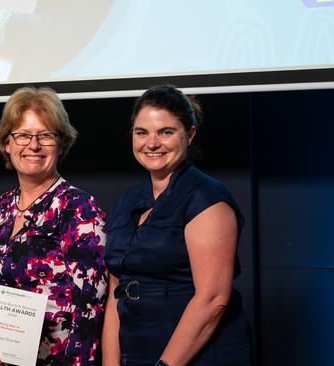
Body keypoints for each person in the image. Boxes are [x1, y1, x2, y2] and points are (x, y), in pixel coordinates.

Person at [102, 85, 253, 366]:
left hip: (199, 356)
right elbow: (115, 293)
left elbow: (213, 299)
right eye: (142, 132)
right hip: (136, 351)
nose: (152, 143)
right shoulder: (127, 201)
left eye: (166, 132)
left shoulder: (206, 198)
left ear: (190, 134)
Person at [0, 86, 108, 365]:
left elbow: (89, 311)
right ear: (7, 144)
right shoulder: (2, 207)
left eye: (45, 136)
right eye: (22, 135)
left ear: (61, 144)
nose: (33, 145)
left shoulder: (79, 208)